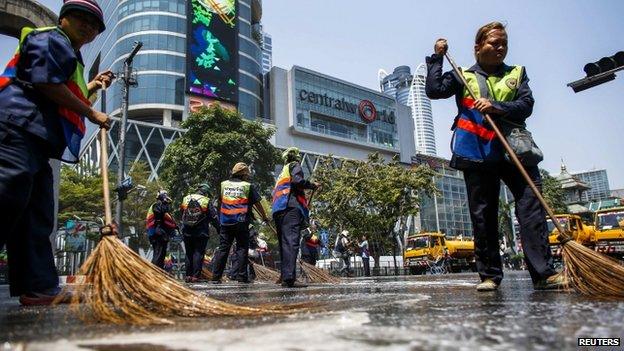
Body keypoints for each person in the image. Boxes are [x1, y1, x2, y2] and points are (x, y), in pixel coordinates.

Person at [425, 21, 563, 291]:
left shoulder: (516, 74)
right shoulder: (461, 74)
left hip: (516, 153)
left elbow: (526, 106)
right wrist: (437, 58)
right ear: (478, 47)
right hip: (477, 152)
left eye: (504, 44)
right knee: (483, 215)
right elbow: (434, 90)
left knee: (531, 210)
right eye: (494, 43)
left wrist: (496, 106)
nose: (500, 48)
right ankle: (489, 275)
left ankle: (544, 273)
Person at [0, 0, 112, 305]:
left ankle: (39, 287)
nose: (88, 27)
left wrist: (93, 86)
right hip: (16, 129)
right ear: (63, 19)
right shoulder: (50, 38)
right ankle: (39, 285)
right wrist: (92, 113)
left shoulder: (71, 55)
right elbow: (46, 83)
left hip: (38, 141)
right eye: (81, 19)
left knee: (37, 214)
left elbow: (65, 92)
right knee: (6, 197)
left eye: (94, 26)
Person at [212, 162, 270, 283]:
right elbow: (258, 203)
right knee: (242, 248)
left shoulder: (224, 184)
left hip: (226, 221)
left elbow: (221, 201)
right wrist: (265, 217)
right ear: (243, 175)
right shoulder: (247, 186)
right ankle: (242, 277)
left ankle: (216, 277)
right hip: (241, 222)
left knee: (223, 249)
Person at [272, 147, 319, 288]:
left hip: (278, 209)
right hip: (290, 208)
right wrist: (312, 185)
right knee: (291, 243)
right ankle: (289, 278)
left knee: (284, 244)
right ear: (297, 158)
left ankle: (285, 276)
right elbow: (297, 181)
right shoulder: (295, 166)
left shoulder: (282, 172)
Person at [180, 183, 219, 283]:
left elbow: (182, 213)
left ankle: (188, 276)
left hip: (187, 231)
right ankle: (195, 276)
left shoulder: (186, 198)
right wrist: (219, 228)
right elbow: (213, 217)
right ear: (205, 192)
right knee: (198, 253)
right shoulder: (206, 200)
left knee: (188, 253)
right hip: (201, 232)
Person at [146, 190, 178, 270]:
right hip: (157, 232)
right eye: (165, 196)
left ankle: (159, 271)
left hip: (160, 233)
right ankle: (154, 272)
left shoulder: (161, 205)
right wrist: (165, 202)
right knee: (158, 253)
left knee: (161, 254)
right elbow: (161, 213)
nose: (167, 198)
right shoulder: (156, 205)